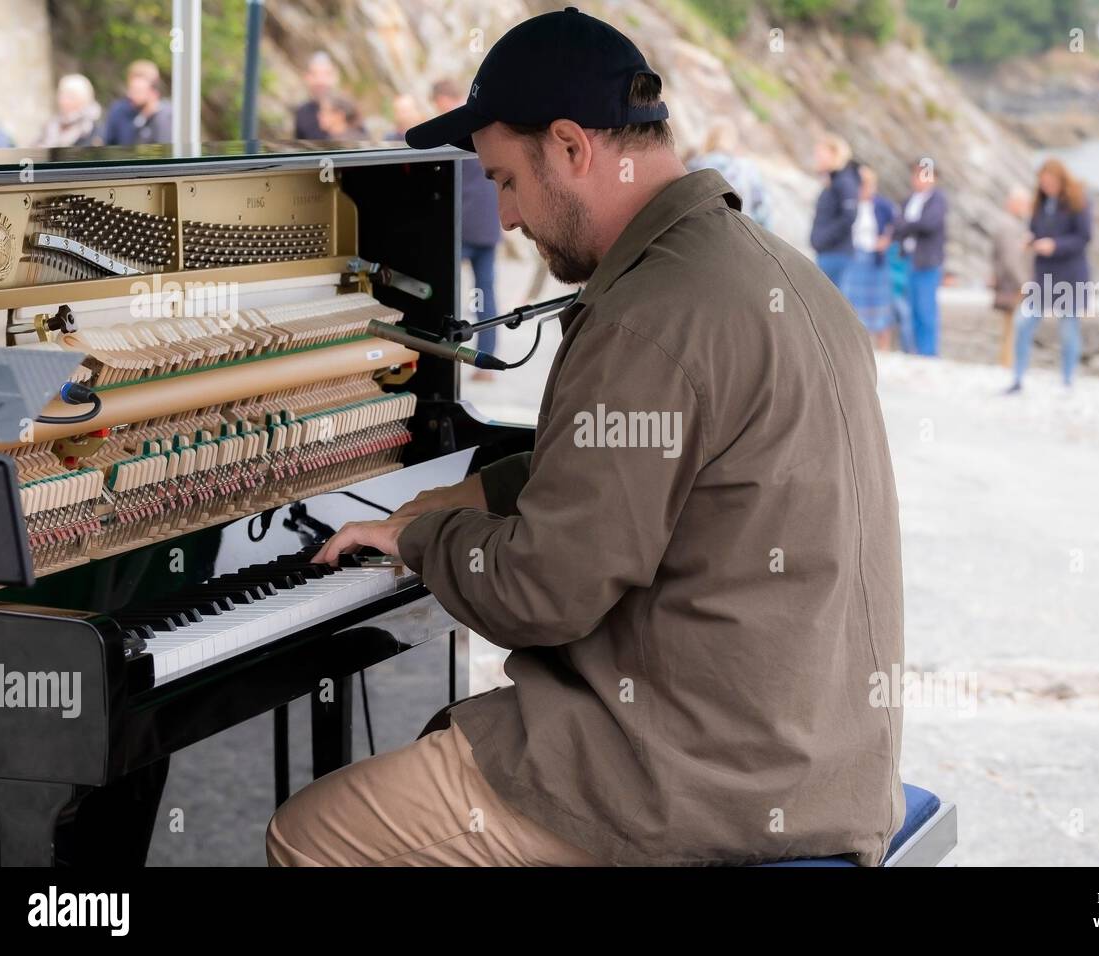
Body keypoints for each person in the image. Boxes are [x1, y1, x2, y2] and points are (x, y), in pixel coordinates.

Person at [268, 7, 904, 868]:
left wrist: (422, 536)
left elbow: (541, 595)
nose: (509, 216)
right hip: (816, 761)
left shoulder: (649, 319)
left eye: (505, 181)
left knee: (310, 837)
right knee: (449, 744)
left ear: (571, 147)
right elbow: (638, 466)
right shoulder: (776, 270)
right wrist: (473, 492)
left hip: (685, 781)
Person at [430, 79, 505, 382]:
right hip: (487, 225)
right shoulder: (484, 126)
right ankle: (486, 359)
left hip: (462, 226)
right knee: (485, 293)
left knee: (445, 289)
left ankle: (442, 357)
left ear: (441, 99)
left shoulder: (452, 130)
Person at [1007, 158, 1093, 392]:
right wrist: (1030, 239)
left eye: (1050, 182)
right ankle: (1017, 378)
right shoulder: (1041, 203)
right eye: (1043, 183)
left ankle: (1067, 381)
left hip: (1071, 277)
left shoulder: (1078, 201)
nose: (1046, 187)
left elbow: (1084, 237)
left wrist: (1055, 245)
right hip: (1044, 276)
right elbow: (1036, 230)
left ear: (1061, 180)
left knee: (1067, 330)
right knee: (1022, 323)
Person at [892, 158, 947, 357]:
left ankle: (929, 352)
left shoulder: (937, 199)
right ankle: (914, 350)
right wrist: (910, 224)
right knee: (911, 308)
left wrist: (908, 224)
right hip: (909, 259)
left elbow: (929, 224)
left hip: (927, 260)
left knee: (926, 309)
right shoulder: (909, 200)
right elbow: (897, 225)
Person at [841, 165, 897, 349]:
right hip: (855, 258)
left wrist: (886, 239)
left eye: (867, 184)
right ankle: (856, 347)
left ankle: (884, 349)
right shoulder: (850, 203)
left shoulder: (882, 205)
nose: (864, 188)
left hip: (875, 260)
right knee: (854, 305)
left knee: (881, 306)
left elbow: (898, 225)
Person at [685, 118, 771, 229]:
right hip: (740, 234)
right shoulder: (747, 168)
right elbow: (763, 210)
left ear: (709, 138)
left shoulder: (695, 166)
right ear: (733, 140)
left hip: (701, 233)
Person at [809, 134, 860, 294]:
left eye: (820, 154)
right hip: (829, 252)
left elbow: (849, 216)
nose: (816, 158)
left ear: (834, 154)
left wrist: (823, 238)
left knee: (830, 304)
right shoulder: (835, 181)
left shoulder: (845, 181)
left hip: (836, 254)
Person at [990, 185, 1033, 368]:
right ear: (1013, 203)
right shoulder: (1008, 225)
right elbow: (1010, 259)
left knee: (1010, 327)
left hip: (1008, 281)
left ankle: (1007, 363)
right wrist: (1024, 283)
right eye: (1023, 203)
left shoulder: (1010, 224)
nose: (1026, 207)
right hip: (1012, 284)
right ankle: (1008, 364)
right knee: (1013, 328)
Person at [102, 60, 171, 146]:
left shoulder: (165, 114)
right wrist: (142, 117)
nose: (131, 95)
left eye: (138, 91)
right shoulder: (119, 111)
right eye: (131, 89)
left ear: (153, 92)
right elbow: (112, 142)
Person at [37, 74, 103, 148]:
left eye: (70, 97)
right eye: (62, 95)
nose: (63, 101)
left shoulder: (90, 128)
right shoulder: (52, 124)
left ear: (83, 100)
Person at [294, 52, 338, 139]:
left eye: (326, 74)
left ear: (335, 77)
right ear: (306, 77)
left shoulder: (349, 110)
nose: (320, 80)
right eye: (314, 74)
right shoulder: (302, 113)